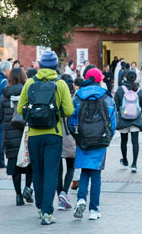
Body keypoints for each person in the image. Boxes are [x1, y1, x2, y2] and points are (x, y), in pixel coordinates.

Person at [17, 50, 74, 225]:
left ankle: (40, 207)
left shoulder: (30, 83)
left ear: (39, 65)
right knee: (51, 172)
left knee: (38, 171)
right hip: (54, 135)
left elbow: (20, 109)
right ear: (56, 66)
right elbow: (69, 111)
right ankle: (47, 213)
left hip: (34, 134)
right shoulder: (61, 84)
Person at [69, 68, 116, 221]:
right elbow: (113, 122)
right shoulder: (107, 97)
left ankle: (81, 199)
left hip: (83, 139)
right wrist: (108, 137)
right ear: (98, 79)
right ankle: (93, 210)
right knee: (96, 174)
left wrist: (77, 136)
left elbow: (71, 120)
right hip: (100, 140)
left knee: (84, 171)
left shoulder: (78, 96)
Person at [0, 68, 33, 205]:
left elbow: (2, 115)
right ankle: (27, 188)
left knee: (14, 165)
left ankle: (18, 196)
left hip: (10, 133)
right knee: (29, 162)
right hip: (25, 132)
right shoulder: (28, 92)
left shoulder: (5, 95)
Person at [114, 70, 142, 173]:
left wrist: (121, 111)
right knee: (135, 142)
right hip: (135, 119)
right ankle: (134, 164)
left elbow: (116, 104)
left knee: (124, 141)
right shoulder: (139, 90)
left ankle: (125, 160)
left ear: (125, 77)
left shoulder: (120, 89)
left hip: (123, 119)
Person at [57, 74, 76, 211]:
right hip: (70, 138)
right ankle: (64, 192)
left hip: (56, 137)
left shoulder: (56, 101)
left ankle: (60, 199)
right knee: (71, 167)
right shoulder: (72, 103)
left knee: (58, 169)